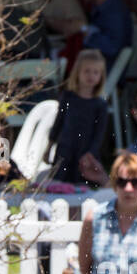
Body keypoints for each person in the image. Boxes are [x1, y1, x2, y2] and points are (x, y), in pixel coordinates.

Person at [46, 48, 108, 187]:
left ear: (101, 76)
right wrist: (49, 145)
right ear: (77, 72)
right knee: (58, 183)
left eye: (96, 72)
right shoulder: (67, 97)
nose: (91, 75)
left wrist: (91, 153)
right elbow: (58, 122)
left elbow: (100, 134)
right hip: (65, 149)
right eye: (86, 71)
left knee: (82, 186)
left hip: (85, 152)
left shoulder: (100, 105)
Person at [73, 0, 132, 72]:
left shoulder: (114, 10)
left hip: (102, 75)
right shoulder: (102, 6)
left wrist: (84, 29)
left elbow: (112, 47)